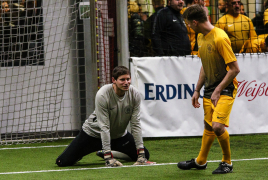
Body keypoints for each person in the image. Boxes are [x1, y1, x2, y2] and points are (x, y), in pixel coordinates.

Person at [178, 4, 240, 174]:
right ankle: (200, 162)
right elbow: (205, 65)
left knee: (218, 126)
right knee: (208, 126)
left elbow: (235, 69)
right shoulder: (200, 37)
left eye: (188, 23)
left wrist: (218, 90)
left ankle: (227, 162)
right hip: (209, 88)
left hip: (225, 88)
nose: (188, 26)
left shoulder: (220, 38)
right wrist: (197, 90)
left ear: (195, 22)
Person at [56, 66, 155, 167]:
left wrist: (141, 152)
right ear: (114, 80)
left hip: (119, 136)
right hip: (93, 134)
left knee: (145, 155)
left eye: (128, 79)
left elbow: (136, 124)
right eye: (122, 80)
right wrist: (109, 157)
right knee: (62, 162)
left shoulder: (134, 94)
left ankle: (104, 153)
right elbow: (104, 127)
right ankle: (102, 152)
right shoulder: (103, 94)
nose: (126, 82)